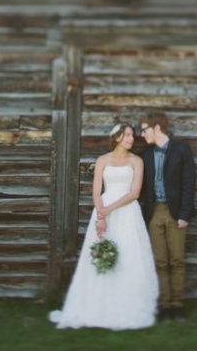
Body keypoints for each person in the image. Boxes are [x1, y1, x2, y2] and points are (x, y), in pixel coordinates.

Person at [48, 121, 158, 330]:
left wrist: (110, 209)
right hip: (104, 212)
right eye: (126, 135)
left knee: (128, 254)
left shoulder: (137, 161)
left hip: (127, 211)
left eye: (132, 135)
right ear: (116, 137)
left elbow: (134, 193)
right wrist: (101, 215)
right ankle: (95, 305)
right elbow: (97, 192)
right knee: (100, 254)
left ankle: (127, 306)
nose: (131, 139)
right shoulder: (102, 160)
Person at [139, 110, 196, 323]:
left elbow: (189, 184)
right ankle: (164, 306)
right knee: (160, 261)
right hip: (154, 213)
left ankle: (177, 306)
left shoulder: (182, 150)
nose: (142, 134)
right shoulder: (145, 155)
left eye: (144, 130)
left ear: (156, 128)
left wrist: (184, 214)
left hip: (175, 214)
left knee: (177, 261)